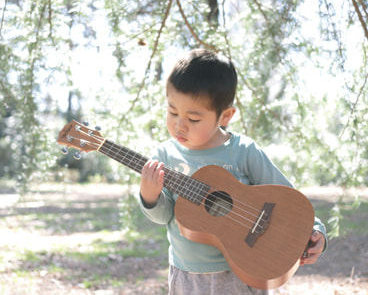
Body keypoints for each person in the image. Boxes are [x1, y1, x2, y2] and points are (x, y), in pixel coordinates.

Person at [139, 49, 327, 294]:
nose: (179, 125)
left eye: (193, 119)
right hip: (188, 275)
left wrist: (315, 230)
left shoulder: (243, 150)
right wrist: (150, 196)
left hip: (244, 271)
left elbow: (288, 198)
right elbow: (165, 215)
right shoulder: (164, 156)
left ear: (225, 115)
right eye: (172, 112)